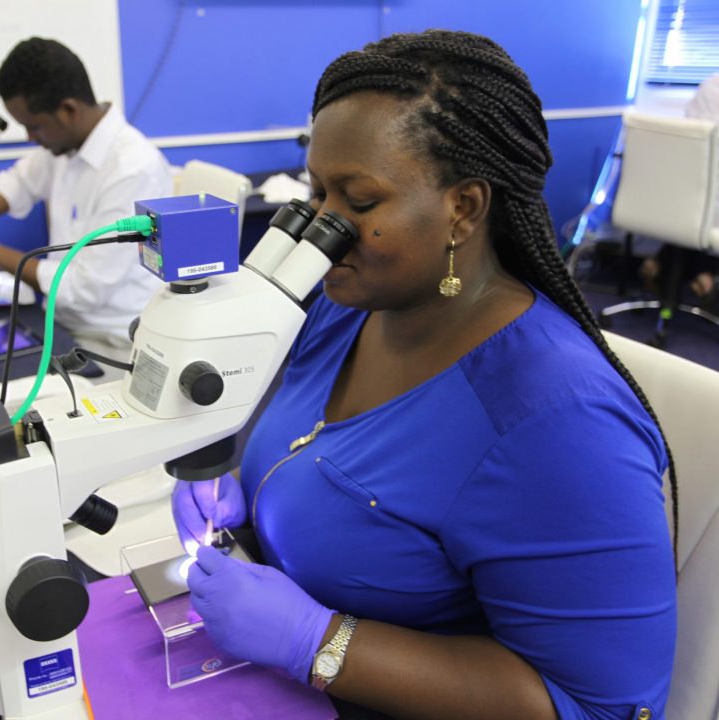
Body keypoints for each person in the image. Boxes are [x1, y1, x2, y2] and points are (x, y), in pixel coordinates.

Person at [172, 30, 677, 719]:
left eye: (359, 201)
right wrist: (240, 497)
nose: (322, 228)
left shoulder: (559, 421)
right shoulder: (347, 308)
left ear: (462, 208)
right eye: (317, 192)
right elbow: (321, 452)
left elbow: (601, 707)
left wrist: (318, 642)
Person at [0, 38, 173, 377]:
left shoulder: (132, 169)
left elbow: (84, 290)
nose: (30, 137)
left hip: (111, 344)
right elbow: (19, 181)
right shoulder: (66, 146)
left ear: (68, 110)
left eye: (34, 126)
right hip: (61, 322)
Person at [639, 71, 719, 302]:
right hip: (704, 200)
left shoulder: (711, 84)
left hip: (683, 193)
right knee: (703, 220)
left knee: (692, 218)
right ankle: (703, 274)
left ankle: (663, 264)